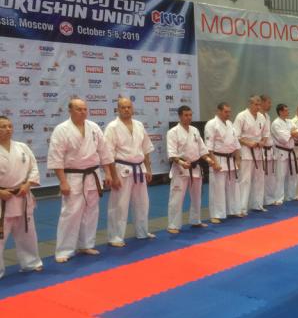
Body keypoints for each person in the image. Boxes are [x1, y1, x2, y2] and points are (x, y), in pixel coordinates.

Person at [47, 98, 114, 262]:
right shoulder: (61, 129)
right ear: (70, 110)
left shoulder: (94, 127)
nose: (83, 112)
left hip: (93, 175)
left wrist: (108, 173)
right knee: (71, 213)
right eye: (79, 109)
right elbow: (56, 158)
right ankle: (64, 250)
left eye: (85, 109)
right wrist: (63, 181)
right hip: (73, 176)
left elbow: (104, 152)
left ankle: (86, 244)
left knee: (91, 211)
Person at [104, 97, 155, 247]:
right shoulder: (112, 127)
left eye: (129, 107)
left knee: (142, 203)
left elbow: (146, 149)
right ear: (118, 109)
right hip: (121, 169)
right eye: (123, 107)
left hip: (139, 169)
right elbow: (108, 154)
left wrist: (148, 169)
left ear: (132, 108)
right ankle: (115, 237)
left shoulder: (139, 125)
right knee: (119, 205)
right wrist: (113, 176)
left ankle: (142, 231)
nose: (126, 109)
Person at [0, 116, 42, 279]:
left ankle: (31, 262)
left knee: (27, 232)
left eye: (10, 126)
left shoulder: (22, 147)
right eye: (3, 126)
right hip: (2, 199)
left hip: (22, 196)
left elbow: (34, 168)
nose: (8, 129)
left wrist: (28, 184)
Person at [166, 105, 216, 233]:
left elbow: (202, 149)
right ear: (180, 116)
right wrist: (181, 162)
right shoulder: (173, 132)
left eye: (190, 115)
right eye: (186, 115)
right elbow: (172, 154)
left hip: (195, 167)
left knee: (197, 197)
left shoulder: (195, 130)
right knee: (177, 198)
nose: (189, 117)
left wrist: (209, 160)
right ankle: (173, 225)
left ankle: (195, 220)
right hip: (180, 168)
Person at [205, 102, 241, 223]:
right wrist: (214, 162)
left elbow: (235, 143)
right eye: (226, 112)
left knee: (232, 187)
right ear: (219, 111)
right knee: (217, 188)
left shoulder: (230, 123)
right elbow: (209, 146)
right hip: (218, 158)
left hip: (230, 159)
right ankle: (215, 214)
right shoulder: (211, 124)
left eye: (229, 112)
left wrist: (238, 159)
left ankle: (233, 210)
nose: (228, 114)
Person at [234, 96, 269, 214]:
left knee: (259, 179)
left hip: (258, 151)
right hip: (246, 152)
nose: (258, 107)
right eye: (256, 104)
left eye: (259, 105)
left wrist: (262, 142)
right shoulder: (241, 116)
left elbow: (266, 134)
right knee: (245, 180)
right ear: (250, 104)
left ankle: (257, 204)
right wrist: (248, 143)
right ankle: (241, 208)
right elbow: (236, 136)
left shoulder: (261, 117)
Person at [272, 104, 298, 204]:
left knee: (293, 175)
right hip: (281, 151)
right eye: (285, 110)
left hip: (291, 151)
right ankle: (278, 198)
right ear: (280, 112)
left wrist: (291, 133)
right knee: (280, 176)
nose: (288, 112)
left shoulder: (290, 121)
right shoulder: (276, 123)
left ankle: (291, 196)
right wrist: (291, 133)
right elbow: (283, 138)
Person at [260, 95, 278, 206]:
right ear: (262, 103)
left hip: (270, 149)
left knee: (270, 176)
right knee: (261, 177)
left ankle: (269, 199)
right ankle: (260, 200)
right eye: (268, 102)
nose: (270, 105)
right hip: (261, 150)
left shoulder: (267, 116)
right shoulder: (258, 116)